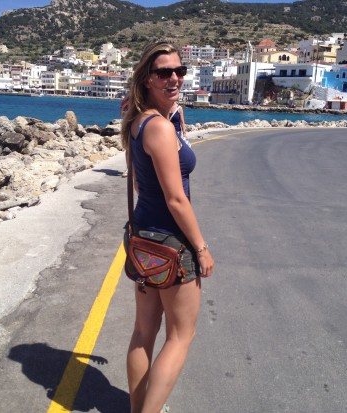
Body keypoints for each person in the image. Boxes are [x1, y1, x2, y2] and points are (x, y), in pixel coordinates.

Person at [121, 41, 214, 413]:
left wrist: (173, 115)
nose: (174, 78)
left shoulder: (140, 121)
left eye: (180, 71)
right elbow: (176, 199)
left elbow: (143, 180)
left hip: (143, 236)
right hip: (171, 243)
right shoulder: (159, 128)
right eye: (164, 73)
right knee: (180, 336)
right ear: (147, 78)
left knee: (143, 332)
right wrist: (201, 248)